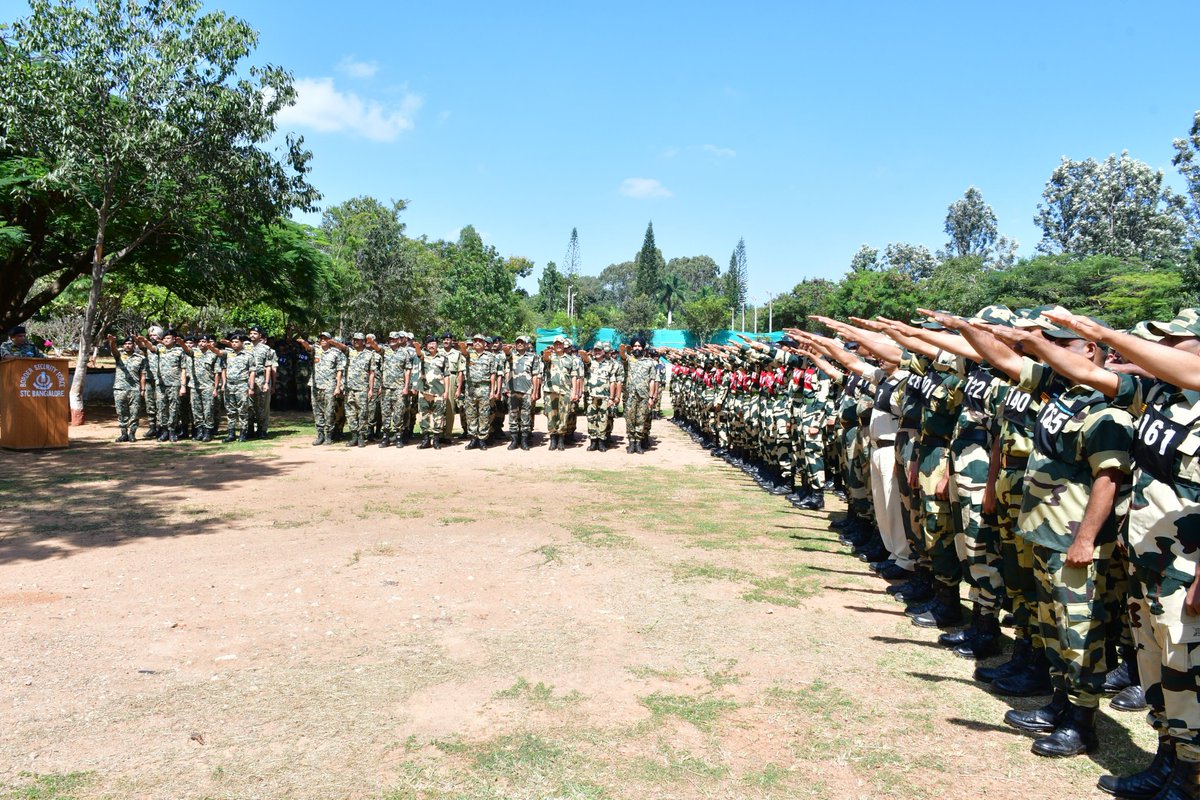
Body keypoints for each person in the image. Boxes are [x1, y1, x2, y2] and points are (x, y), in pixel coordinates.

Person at [296, 332, 344, 446]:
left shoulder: (336, 353)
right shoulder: (316, 350)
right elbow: (309, 348)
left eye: (325, 338)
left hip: (329, 386)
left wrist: (338, 387)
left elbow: (339, 370)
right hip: (315, 385)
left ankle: (329, 436)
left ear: (330, 340)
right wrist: (304, 343)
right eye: (321, 338)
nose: (323, 340)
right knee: (317, 411)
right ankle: (320, 435)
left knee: (329, 411)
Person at [542, 335, 581, 450]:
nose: (558, 346)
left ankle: (561, 440)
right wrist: (547, 353)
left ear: (564, 346)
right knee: (551, 416)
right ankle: (553, 439)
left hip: (565, 392)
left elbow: (574, 376)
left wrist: (574, 392)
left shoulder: (570, 359)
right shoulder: (549, 357)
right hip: (550, 391)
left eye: (560, 344)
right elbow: (545, 359)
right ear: (554, 346)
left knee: (564, 416)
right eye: (556, 344)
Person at [461, 333, 500, 450]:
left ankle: (482, 439)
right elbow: (464, 353)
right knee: (470, 413)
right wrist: (463, 347)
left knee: (484, 414)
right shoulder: (469, 354)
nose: (477, 342)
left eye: (479, 341)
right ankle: (473, 439)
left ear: (484, 343)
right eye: (475, 340)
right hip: (471, 388)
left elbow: (493, 374)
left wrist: (492, 391)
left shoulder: (490, 356)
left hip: (484, 387)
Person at [621, 337, 660, 453]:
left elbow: (652, 380)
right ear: (632, 347)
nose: (637, 348)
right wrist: (623, 349)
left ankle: (638, 443)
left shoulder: (649, 363)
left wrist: (651, 397)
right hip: (630, 395)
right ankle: (631, 442)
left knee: (641, 420)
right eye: (635, 346)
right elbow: (622, 355)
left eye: (639, 346)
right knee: (630, 419)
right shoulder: (628, 360)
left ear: (643, 348)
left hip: (643, 396)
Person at [106, 333, 146, 442]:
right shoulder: (119, 356)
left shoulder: (140, 358)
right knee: (121, 412)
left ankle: (132, 434)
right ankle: (123, 434)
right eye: (126, 344)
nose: (127, 345)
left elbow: (143, 374)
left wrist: (142, 389)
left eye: (130, 343)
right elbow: (114, 350)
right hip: (119, 388)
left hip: (134, 389)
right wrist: (112, 342)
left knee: (135, 412)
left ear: (134, 345)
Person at [414, 336, 451, 448]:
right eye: (429, 344)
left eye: (433, 343)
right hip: (424, 391)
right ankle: (425, 440)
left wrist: (446, 392)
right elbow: (419, 354)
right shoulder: (423, 356)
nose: (431, 345)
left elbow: (447, 375)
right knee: (423, 416)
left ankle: (436, 440)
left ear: (437, 345)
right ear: (426, 346)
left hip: (438, 391)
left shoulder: (443, 358)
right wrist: (417, 347)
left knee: (438, 416)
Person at [581, 343, 620, 451]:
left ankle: (601, 441)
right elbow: (585, 359)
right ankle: (593, 441)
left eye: (599, 350)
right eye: (595, 350)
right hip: (591, 397)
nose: (597, 352)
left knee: (603, 420)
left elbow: (612, 382)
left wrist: (612, 398)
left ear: (603, 351)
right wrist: (584, 354)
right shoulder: (590, 363)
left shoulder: (609, 364)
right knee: (591, 419)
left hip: (604, 397)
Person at [504, 335, 540, 450]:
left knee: (526, 416)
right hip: (513, 390)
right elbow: (507, 358)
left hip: (527, 391)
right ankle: (514, 440)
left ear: (526, 344)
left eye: (522, 342)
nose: (519, 344)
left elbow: (535, 375)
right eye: (517, 342)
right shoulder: (511, 356)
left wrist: (535, 391)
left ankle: (524, 440)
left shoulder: (533, 357)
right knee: (513, 415)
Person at [217, 332, 254, 442]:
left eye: (236, 342)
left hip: (242, 385)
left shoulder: (248, 355)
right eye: (232, 342)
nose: (234, 344)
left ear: (242, 343)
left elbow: (252, 372)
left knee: (243, 410)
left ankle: (243, 433)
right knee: (230, 411)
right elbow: (223, 368)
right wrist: (224, 384)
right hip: (229, 386)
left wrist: (251, 388)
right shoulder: (228, 354)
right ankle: (231, 434)